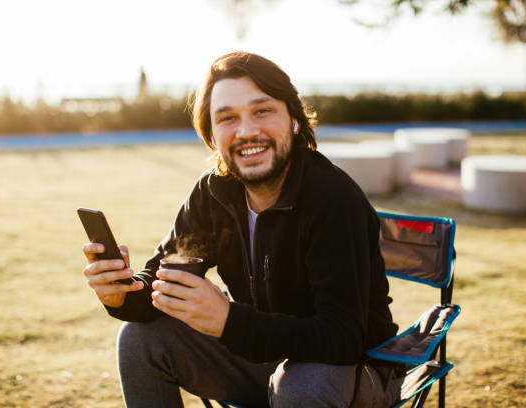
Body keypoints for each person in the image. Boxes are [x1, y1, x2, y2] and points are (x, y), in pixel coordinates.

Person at [82, 51, 402, 408]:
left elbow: (343, 337)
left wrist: (230, 322)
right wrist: (124, 293)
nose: (247, 131)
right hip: (265, 358)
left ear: (293, 118)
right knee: (139, 338)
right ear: (212, 135)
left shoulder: (333, 199)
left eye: (262, 111)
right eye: (227, 118)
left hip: (357, 368)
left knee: (303, 384)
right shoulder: (214, 194)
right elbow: (166, 278)